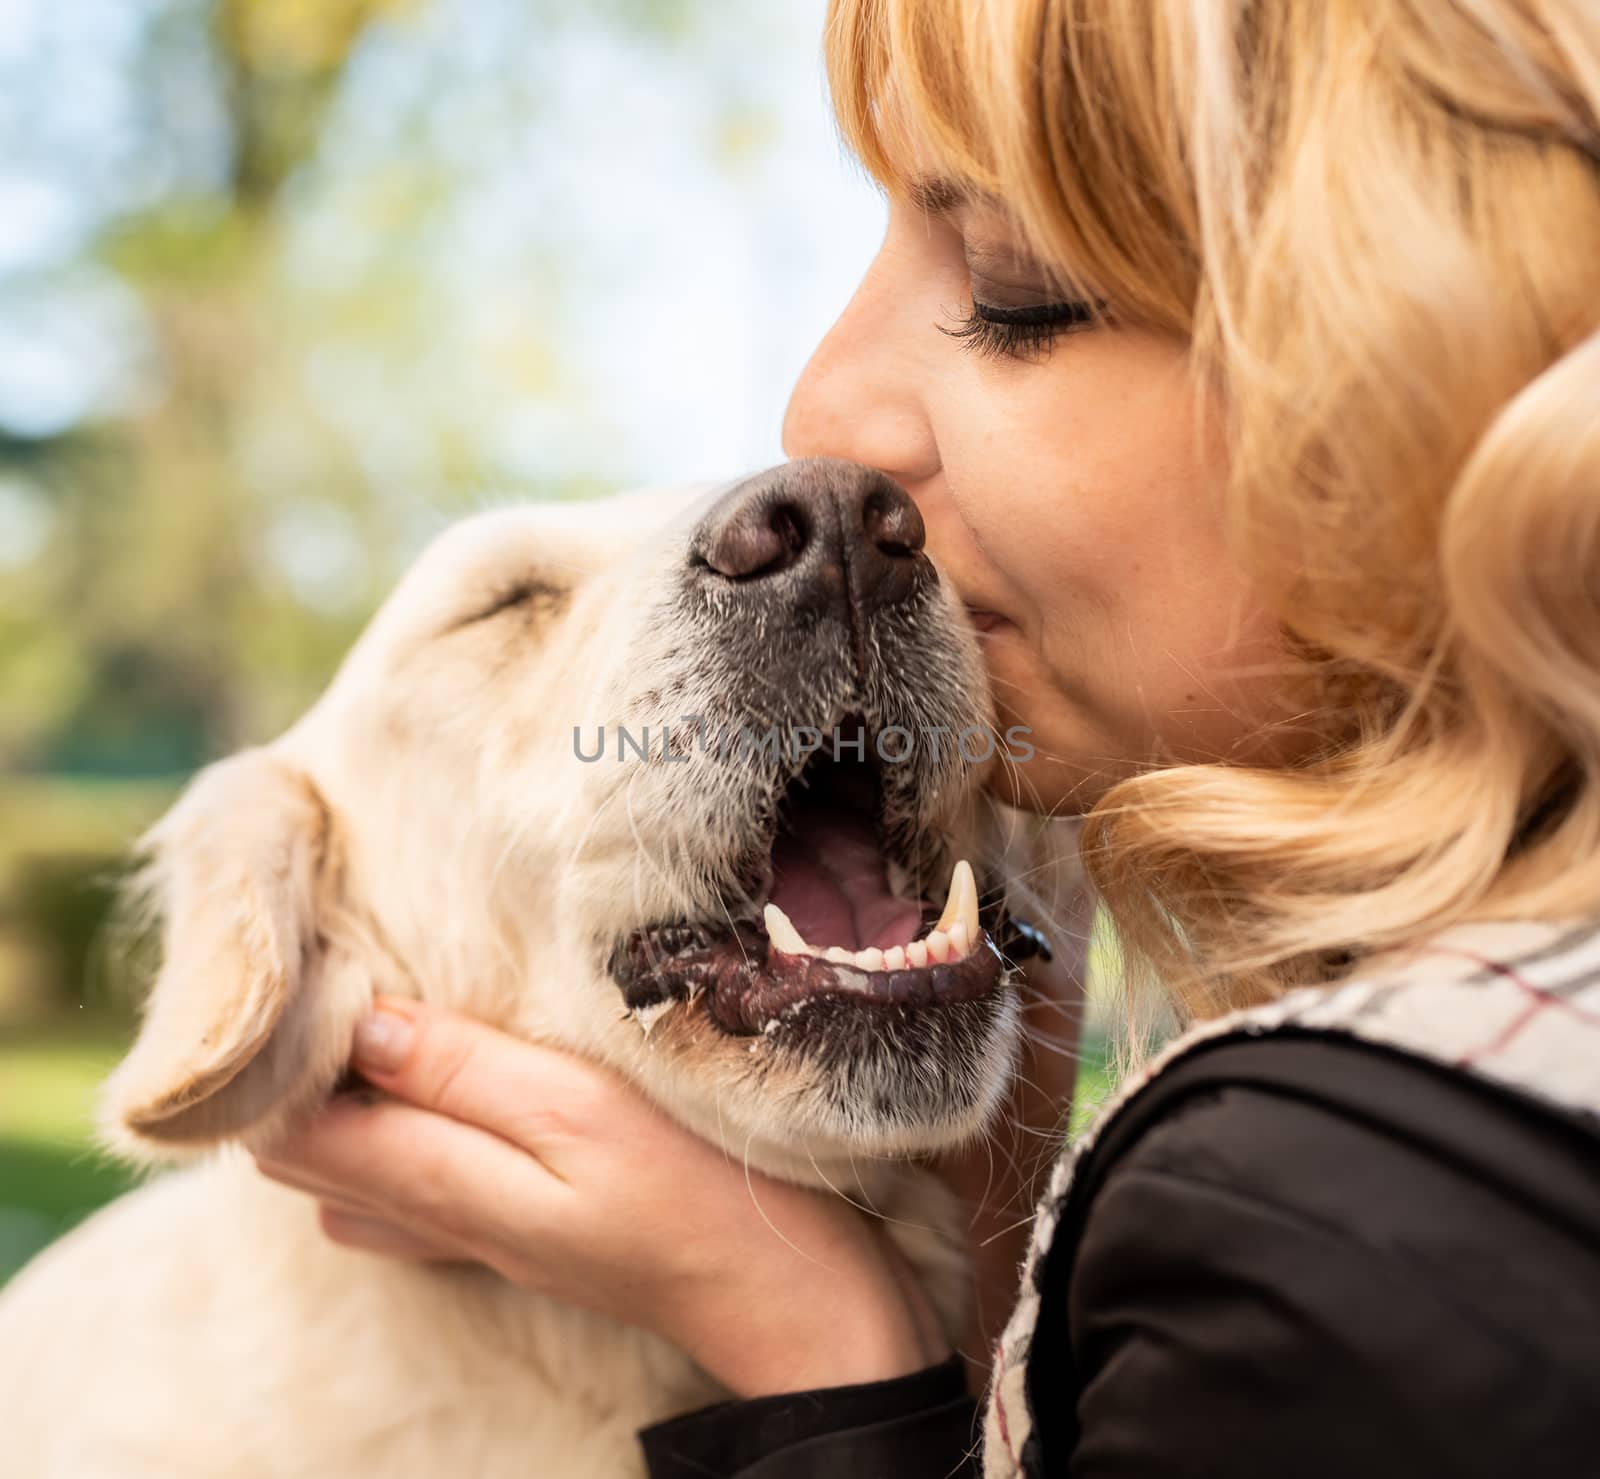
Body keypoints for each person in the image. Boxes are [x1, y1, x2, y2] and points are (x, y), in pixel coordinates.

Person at [254, 1, 1600, 1473]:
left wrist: (816, 1351)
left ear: (1433, 377)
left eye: (1020, 287)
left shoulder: (1336, 1209)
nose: (817, 419)